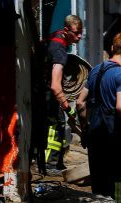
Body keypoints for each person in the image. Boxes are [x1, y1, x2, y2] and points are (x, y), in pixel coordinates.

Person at [76, 32, 121, 203]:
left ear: (112, 48)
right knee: (118, 178)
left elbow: (80, 102)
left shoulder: (95, 70)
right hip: (111, 133)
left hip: (94, 131)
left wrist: (84, 130)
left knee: (98, 177)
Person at [45, 14, 83, 171]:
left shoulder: (56, 36)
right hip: (48, 94)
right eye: (76, 32)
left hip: (39, 90)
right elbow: (55, 85)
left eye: (81, 31)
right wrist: (68, 107)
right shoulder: (59, 50)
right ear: (66, 30)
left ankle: (54, 162)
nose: (79, 36)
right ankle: (51, 164)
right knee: (57, 125)